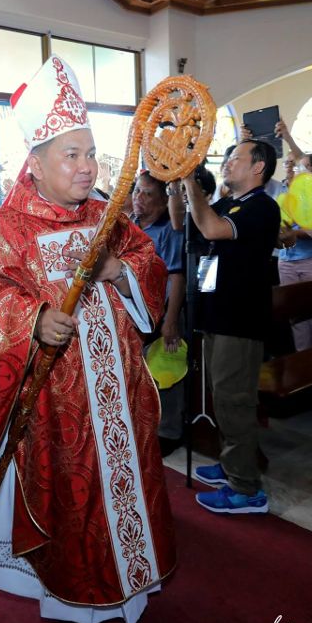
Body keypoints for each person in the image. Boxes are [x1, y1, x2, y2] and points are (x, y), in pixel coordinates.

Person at [0, 55, 174, 623]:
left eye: (92, 153)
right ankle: (78, 602)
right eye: (73, 155)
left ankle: (132, 582)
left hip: (119, 388)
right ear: (35, 162)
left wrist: (123, 270)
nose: (88, 166)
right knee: (75, 495)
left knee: (126, 484)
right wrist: (32, 320)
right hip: (58, 401)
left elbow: (151, 266)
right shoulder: (9, 227)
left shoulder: (108, 216)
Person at [184, 139, 281, 514]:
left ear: (258, 167)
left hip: (239, 318)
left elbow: (210, 229)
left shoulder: (261, 207)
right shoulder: (230, 202)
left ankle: (246, 488)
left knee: (234, 400)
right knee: (221, 395)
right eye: (225, 157)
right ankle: (230, 464)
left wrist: (192, 179)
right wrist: (181, 187)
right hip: (217, 312)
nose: (225, 163)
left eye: (235, 158)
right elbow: (186, 223)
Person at [131, 171, 186, 456]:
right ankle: (143, 423)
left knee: (165, 370)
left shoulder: (168, 231)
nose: (139, 198)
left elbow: (177, 276)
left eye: (148, 194)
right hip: (134, 311)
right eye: (137, 191)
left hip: (162, 312)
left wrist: (171, 321)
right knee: (139, 371)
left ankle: (169, 431)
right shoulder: (130, 225)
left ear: (164, 202)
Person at [276, 153, 312, 350]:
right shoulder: (286, 191)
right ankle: (302, 357)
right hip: (287, 260)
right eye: (297, 166)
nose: (300, 170)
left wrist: (296, 233)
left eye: (305, 167)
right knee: (295, 314)